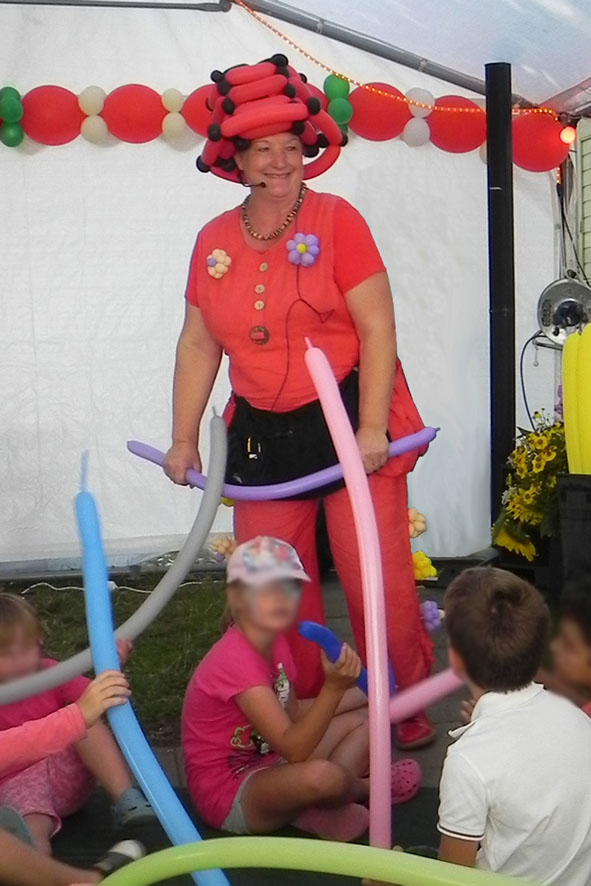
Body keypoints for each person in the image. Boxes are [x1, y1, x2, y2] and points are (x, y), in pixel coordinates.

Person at [165, 55, 434, 749]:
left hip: (349, 417)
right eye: (265, 151)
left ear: (307, 151)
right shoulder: (210, 241)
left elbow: (377, 327)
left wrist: (371, 424)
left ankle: (401, 708)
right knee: (271, 586)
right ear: (240, 159)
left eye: (292, 149)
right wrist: (184, 437)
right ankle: (304, 712)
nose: (281, 164)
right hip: (262, 435)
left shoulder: (339, 219)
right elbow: (199, 345)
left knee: (377, 577)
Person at [182, 536, 421, 841]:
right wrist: (333, 689)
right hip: (231, 792)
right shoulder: (236, 661)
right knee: (321, 775)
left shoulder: (274, 641)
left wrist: (365, 690)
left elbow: (293, 712)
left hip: (272, 762)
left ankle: (311, 807)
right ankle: (370, 788)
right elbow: (294, 748)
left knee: (370, 719)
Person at [438, 567, 591, 885]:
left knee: (405, 859)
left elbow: (449, 878)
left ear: (455, 658)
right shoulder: (577, 717)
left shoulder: (467, 761)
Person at [0, 593, 155, 855]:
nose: (19, 661)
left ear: (40, 641)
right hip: (18, 786)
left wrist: (111, 667)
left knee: (86, 718)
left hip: (65, 777)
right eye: (5, 655)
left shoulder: (51, 673)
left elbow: (96, 697)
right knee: (29, 830)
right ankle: (37, 868)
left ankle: (125, 798)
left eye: (26, 649)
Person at [0, 671, 144, 884]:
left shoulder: (46, 672)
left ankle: (127, 800)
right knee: (28, 825)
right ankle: (88, 879)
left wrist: (109, 661)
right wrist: (76, 717)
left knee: (85, 720)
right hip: (16, 782)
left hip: (53, 764)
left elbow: (93, 693)